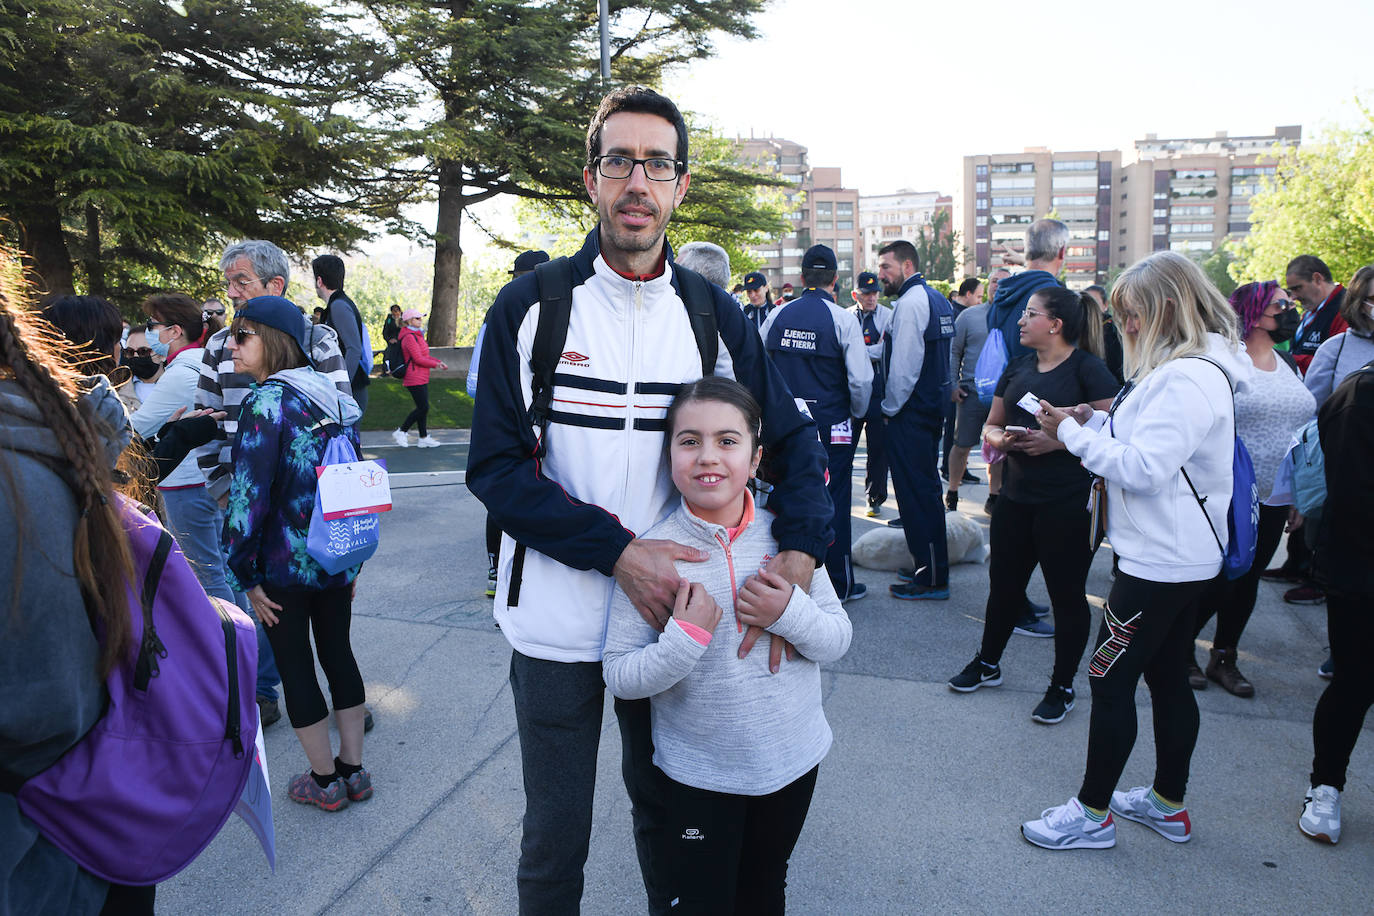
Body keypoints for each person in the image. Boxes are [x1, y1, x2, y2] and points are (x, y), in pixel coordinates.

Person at [465, 85, 831, 914]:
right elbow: (493, 469)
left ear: (680, 187)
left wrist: (799, 562)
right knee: (553, 841)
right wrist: (618, 552)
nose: (639, 181)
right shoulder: (533, 307)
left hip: (677, 622)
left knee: (666, 824)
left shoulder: (711, 314)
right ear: (589, 179)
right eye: (620, 161)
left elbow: (797, 447)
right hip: (556, 626)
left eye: (657, 164)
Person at [1021, 250, 1247, 850]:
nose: (1125, 327)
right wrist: (1087, 426)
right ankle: (1167, 803)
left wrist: (1068, 433)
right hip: (1173, 555)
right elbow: (1148, 449)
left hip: (1158, 563)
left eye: (1131, 315)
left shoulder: (1187, 376)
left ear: (1165, 308)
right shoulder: (1187, 368)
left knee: (1110, 680)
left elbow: (1145, 468)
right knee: (1167, 678)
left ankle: (1092, 815)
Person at [602, 377, 852, 913]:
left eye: (727, 441)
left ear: (757, 458)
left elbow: (836, 639)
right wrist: (682, 641)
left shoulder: (788, 541)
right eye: (689, 441)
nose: (707, 456)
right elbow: (619, 672)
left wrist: (789, 612)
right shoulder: (651, 555)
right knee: (703, 901)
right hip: (699, 776)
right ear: (668, 454)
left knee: (766, 888)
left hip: (793, 761)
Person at [1, 280, 154, 913]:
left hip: (52, 854)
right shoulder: (60, 442)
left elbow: (44, 709)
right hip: (97, 820)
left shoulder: (23, 477)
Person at [197, 239, 358, 731]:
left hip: (306, 521)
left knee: (305, 641)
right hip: (250, 506)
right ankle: (265, 694)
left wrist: (343, 533)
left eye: (240, 282)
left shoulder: (318, 340)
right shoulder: (217, 345)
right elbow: (208, 428)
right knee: (286, 631)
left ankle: (327, 757)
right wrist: (228, 495)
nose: (231, 292)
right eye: (227, 283)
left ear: (276, 285)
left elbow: (343, 432)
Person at [222, 295, 370, 812]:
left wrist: (244, 573)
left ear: (274, 341)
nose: (230, 346)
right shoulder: (330, 395)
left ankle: (324, 782)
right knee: (339, 654)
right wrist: (353, 560)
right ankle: (354, 770)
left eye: (242, 336)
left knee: (295, 665)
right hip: (336, 555)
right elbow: (353, 480)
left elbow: (247, 496)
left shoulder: (265, 402)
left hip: (283, 565)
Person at [947, 288, 1118, 724]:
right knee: (1004, 586)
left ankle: (1062, 686)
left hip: (1066, 504)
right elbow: (991, 426)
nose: (1021, 321)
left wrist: (1059, 440)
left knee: (1066, 596)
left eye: (1030, 314)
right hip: (1015, 500)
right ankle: (987, 663)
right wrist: (1002, 440)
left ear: (1056, 324)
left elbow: (1113, 433)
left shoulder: (1088, 369)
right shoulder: (1018, 366)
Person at [1186, 281, 1312, 698]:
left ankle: (1224, 657)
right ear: (1254, 311)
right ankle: (1181, 646)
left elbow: (1299, 431)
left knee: (1250, 577)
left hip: (1275, 494)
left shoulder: (1287, 362)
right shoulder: (1225, 360)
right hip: (1228, 490)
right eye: (1281, 304)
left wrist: (1297, 495)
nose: (1290, 310)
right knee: (1221, 576)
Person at [762, 243, 873, 602]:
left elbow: (756, 367)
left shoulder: (777, 315)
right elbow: (861, 380)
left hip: (784, 423)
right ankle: (837, 584)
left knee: (781, 493)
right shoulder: (842, 319)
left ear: (802, 277)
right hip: (831, 424)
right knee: (834, 499)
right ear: (834, 279)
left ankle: (777, 578)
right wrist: (856, 414)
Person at [1298, 352, 1374, 845]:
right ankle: (1325, 786)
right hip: (1361, 569)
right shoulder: (1362, 394)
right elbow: (1352, 494)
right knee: (1355, 681)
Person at [130, 294, 235, 609]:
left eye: (153, 326)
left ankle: (235, 651)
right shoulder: (203, 360)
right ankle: (252, 652)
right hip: (206, 479)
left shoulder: (178, 373)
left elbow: (134, 428)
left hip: (185, 483)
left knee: (208, 576)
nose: (151, 334)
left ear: (174, 331)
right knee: (225, 571)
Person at [877, 239, 955, 601]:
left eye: (886, 267)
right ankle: (928, 564)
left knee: (915, 495)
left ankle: (931, 576)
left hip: (910, 413)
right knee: (925, 492)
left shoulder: (910, 304)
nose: (881, 275)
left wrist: (889, 410)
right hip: (930, 408)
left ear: (907, 266)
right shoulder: (936, 298)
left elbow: (904, 367)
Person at [470, 251, 551, 598]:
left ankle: (515, 568)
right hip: (511, 418)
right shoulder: (503, 311)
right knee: (503, 494)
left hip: (539, 422)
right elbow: (477, 376)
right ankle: (496, 568)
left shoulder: (556, 308)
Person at [987, 219, 1068, 363]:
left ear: (1027, 250)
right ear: (1062, 252)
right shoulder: (1057, 298)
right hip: (1039, 384)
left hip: (1004, 383)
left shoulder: (1003, 293)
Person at [946, 281, 995, 512]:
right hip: (971, 391)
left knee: (1000, 447)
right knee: (962, 444)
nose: (1000, 286)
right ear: (988, 287)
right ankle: (952, 491)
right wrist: (953, 385)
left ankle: (994, 496)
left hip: (1004, 394)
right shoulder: (969, 316)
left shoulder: (1017, 316)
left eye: (1005, 282)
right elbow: (953, 351)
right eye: (995, 281)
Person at [850, 270, 891, 517]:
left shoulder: (888, 316)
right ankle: (839, 492)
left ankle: (874, 498)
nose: (871, 297)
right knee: (845, 447)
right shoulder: (845, 316)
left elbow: (885, 351)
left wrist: (855, 351)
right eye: (866, 294)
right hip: (851, 392)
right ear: (856, 294)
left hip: (878, 392)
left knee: (878, 450)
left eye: (875, 293)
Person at [313, 254, 371, 417]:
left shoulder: (338, 306)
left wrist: (340, 388)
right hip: (349, 390)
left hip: (350, 392)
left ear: (319, 281)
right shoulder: (337, 304)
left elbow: (354, 349)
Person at [941, 278, 984, 487]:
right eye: (978, 296)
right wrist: (952, 382)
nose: (979, 301)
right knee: (955, 433)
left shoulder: (975, 314)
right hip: (961, 385)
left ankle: (960, 470)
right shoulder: (958, 314)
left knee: (960, 435)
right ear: (967, 294)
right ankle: (950, 474)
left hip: (969, 385)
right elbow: (953, 351)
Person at [392, 309, 447, 448]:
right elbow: (418, 359)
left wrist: (437, 362)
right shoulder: (409, 337)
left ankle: (423, 438)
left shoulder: (417, 335)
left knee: (422, 408)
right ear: (410, 321)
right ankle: (402, 431)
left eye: (420, 318)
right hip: (413, 377)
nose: (420, 320)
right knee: (423, 407)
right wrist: (435, 365)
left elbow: (425, 356)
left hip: (421, 376)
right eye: (417, 318)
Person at [1287, 254, 1347, 375]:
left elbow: (1336, 362)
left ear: (1317, 279)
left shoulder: (1346, 310)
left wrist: (1287, 360)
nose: (1293, 297)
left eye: (1298, 288)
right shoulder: (1310, 313)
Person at [1085, 284, 1125, 386]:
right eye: (1085, 303)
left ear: (1105, 305)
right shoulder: (1076, 331)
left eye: (1094, 302)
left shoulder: (1115, 332)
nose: (1089, 307)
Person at [382, 304, 403, 375]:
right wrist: (389, 339)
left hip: (402, 340)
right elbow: (385, 332)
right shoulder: (389, 319)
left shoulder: (404, 318)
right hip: (392, 341)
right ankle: (386, 370)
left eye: (397, 311)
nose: (395, 313)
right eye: (393, 311)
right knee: (387, 353)